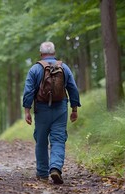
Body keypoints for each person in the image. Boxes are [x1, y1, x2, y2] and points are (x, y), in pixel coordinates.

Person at [22, 41, 81, 184]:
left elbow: (29, 91)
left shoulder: (35, 69)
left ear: (41, 53)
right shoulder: (64, 68)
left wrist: (27, 111)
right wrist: (74, 109)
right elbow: (72, 88)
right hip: (60, 108)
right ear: (54, 53)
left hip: (42, 109)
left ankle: (42, 174)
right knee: (58, 139)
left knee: (41, 141)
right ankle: (55, 168)